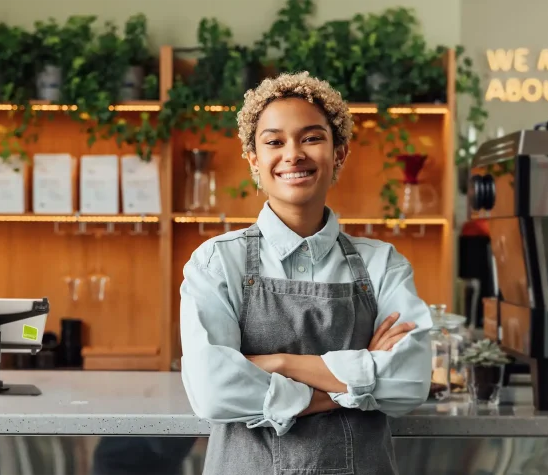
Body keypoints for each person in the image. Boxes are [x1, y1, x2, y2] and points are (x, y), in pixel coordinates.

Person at [179, 71, 433, 474]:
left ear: (339, 153)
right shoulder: (216, 262)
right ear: (254, 160)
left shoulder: (383, 264)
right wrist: (357, 379)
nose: (293, 154)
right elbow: (214, 391)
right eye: (274, 142)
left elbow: (410, 382)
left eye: (311, 138)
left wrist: (278, 363)